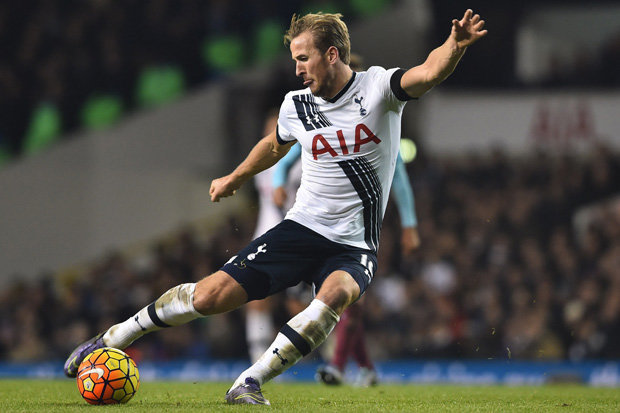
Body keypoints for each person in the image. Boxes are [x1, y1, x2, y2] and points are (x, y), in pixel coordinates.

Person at [64, 10, 487, 405]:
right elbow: (272, 146)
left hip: (354, 245)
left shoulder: (378, 89)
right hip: (300, 230)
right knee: (210, 297)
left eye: (304, 59)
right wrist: (235, 177)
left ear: (331, 54)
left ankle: (249, 382)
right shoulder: (295, 105)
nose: (298, 69)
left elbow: (429, 71)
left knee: (336, 295)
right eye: (295, 60)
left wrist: (456, 44)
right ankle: (113, 338)